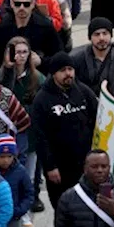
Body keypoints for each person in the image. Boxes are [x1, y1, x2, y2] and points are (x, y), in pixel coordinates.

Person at [29, 53, 97, 209]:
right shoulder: (42, 99)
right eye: (63, 70)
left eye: (70, 69)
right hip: (59, 168)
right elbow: (40, 136)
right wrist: (50, 166)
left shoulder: (84, 92)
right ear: (54, 73)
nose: (68, 73)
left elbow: (98, 120)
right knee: (64, 211)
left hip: (85, 164)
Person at [69, 18, 114, 101]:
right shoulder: (78, 60)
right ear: (90, 37)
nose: (101, 38)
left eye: (105, 33)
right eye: (97, 34)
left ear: (111, 35)